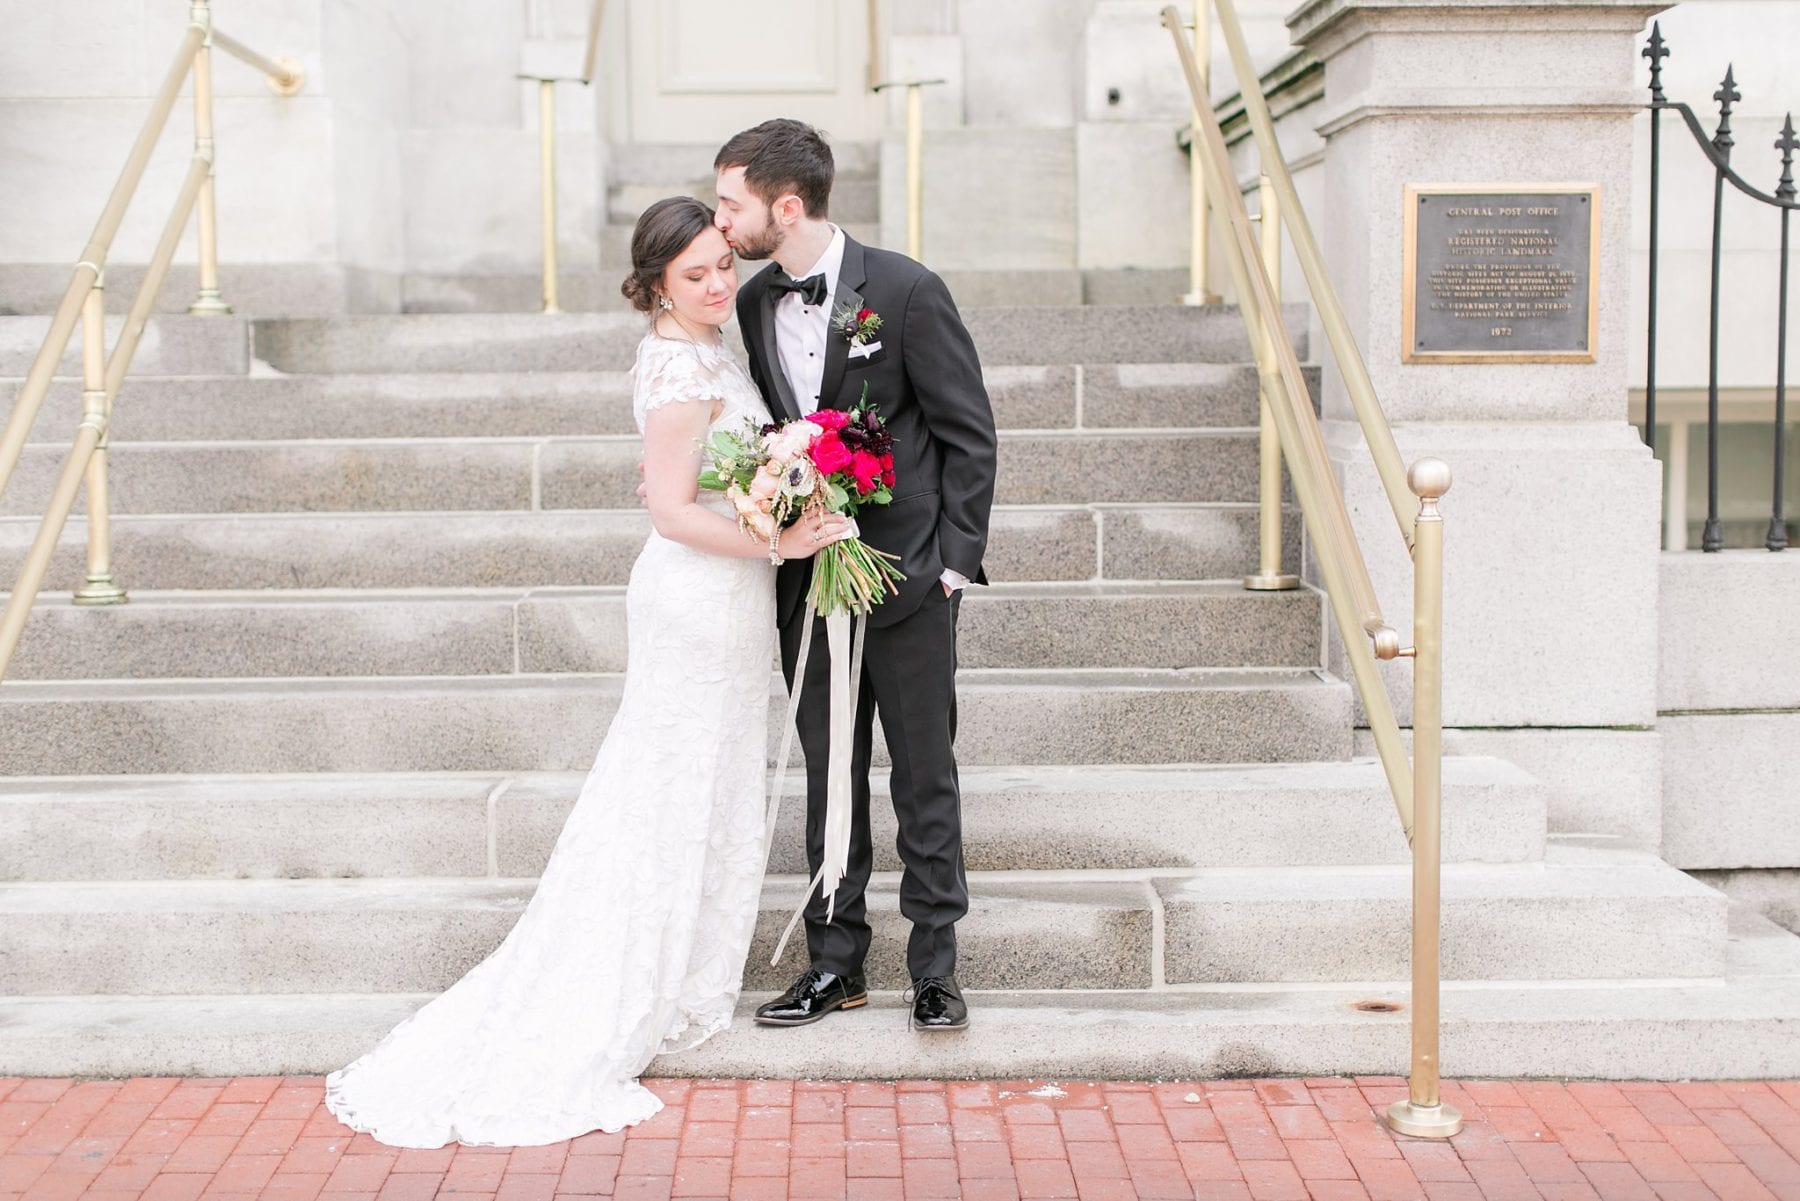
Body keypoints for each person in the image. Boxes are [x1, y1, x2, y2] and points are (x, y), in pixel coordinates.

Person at [321, 197, 851, 1147]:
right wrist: (782, 538)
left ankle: (685, 971)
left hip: (728, 598)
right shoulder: (678, 365)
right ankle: (619, 982)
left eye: (722, 264)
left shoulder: (708, 346)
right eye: (694, 275)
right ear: (656, 286)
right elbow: (672, 513)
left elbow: (708, 477)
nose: (719, 284)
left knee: (706, 782)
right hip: (696, 601)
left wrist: (776, 489)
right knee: (668, 785)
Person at [713, 119, 998, 1033]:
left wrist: (953, 565)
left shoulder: (906, 290)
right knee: (828, 774)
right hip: (809, 582)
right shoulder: (754, 304)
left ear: (787, 206)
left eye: (731, 204)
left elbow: (967, 432)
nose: (721, 223)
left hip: (909, 579)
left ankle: (935, 967)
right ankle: (836, 963)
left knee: (923, 776)